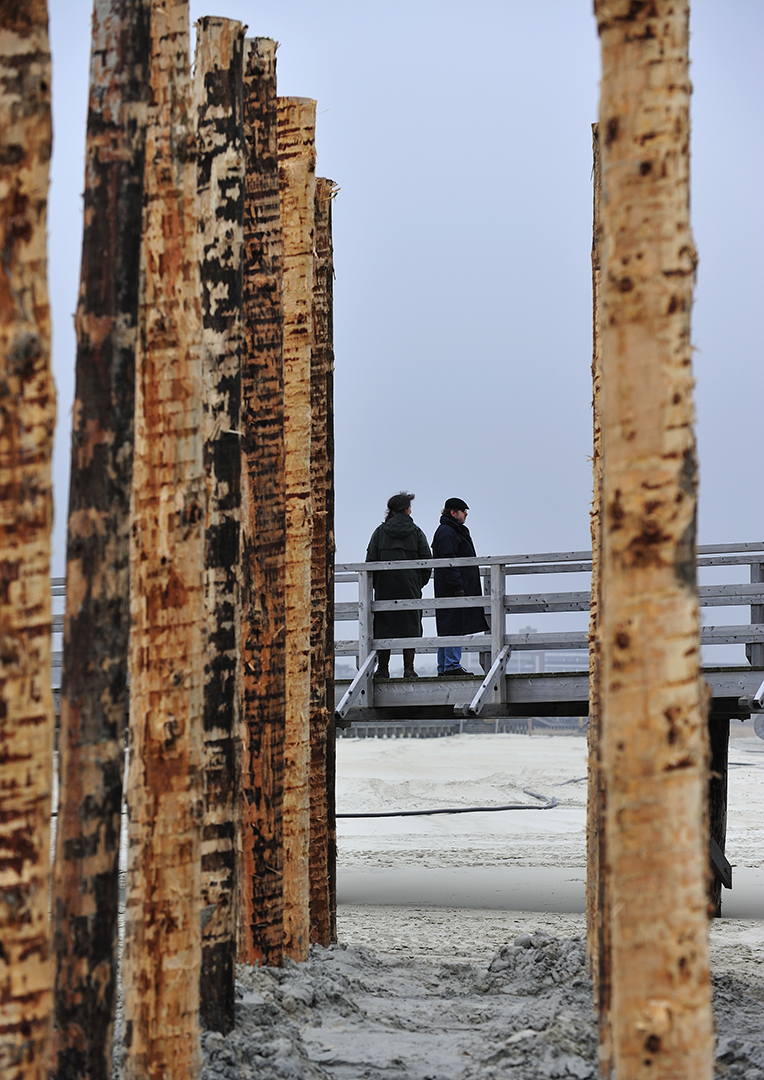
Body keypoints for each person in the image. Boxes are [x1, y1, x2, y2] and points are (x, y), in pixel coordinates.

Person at [366, 492, 432, 678]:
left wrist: (378, 584)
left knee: (383, 625)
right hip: (409, 587)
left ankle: (382, 669)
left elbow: (370, 561)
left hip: (385, 588)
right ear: (406, 509)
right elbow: (427, 562)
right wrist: (417, 583)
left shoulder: (380, 532)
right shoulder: (416, 532)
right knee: (410, 624)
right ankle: (409, 669)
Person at [432, 497, 488, 676]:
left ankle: (445, 665)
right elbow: (449, 561)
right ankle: (450, 665)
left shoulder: (449, 530)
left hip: (453, 586)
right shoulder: (448, 532)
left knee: (449, 624)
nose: (466, 514)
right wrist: (458, 586)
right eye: (463, 511)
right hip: (453, 588)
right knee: (453, 624)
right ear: (453, 512)